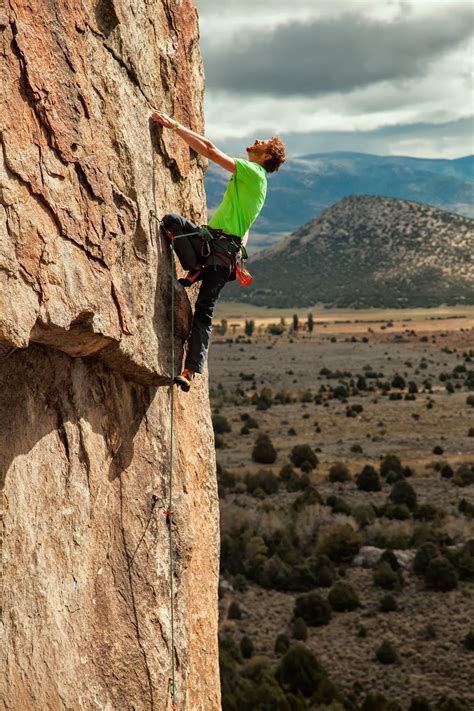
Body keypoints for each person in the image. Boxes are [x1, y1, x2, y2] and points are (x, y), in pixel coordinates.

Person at [151, 111, 286, 391]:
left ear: (266, 157)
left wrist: (174, 125)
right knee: (172, 223)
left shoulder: (253, 172)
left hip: (219, 253)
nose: (257, 140)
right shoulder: (257, 184)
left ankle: (189, 371)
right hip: (216, 248)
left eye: (264, 143)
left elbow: (210, 150)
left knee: (204, 310)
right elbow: (245, 230)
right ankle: (196, 268)